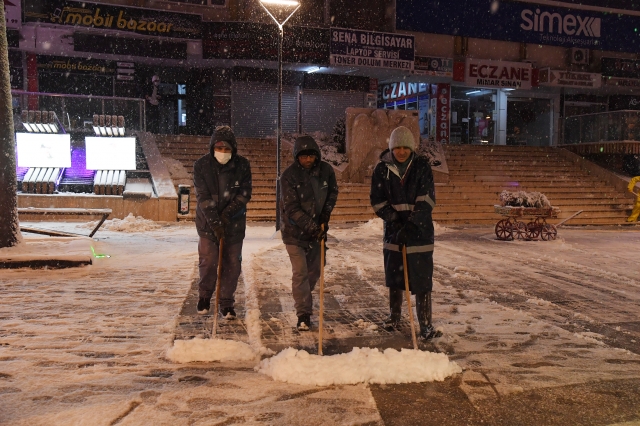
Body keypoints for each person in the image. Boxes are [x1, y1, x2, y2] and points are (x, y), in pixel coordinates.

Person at [369, 126, 439, 340]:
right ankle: (394, 315)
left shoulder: (421, 167)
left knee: (422, 279)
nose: (401, 152)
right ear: (391, 148)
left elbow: (426, 199)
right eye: (397, 147)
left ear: (411, 148)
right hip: (394, 232)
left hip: (419, 232)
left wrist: (411, 224)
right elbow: (378, 200)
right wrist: (395, 221)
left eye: (405, 147)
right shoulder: (382, 169)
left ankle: (426, 325)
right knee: (395, 275)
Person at [281, 135, 339, 331]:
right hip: (294, 233)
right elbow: (292, 208)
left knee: (315, 270)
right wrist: (311, 227)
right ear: (297, 156)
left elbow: (332, 193)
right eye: (303, 156)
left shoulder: (326, 171)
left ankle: (305, 295)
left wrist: (325, 215)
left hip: (318, 232)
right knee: (301, 273)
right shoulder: (289, 176)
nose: (307, 160)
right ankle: (303, 314)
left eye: (311, 156)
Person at [193, 126, 252, 318]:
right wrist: (215, 222)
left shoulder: (242, 165)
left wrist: (226, 216)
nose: (223, 152)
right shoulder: (201, 166)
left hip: (233, 224)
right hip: (207, 224)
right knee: (209, 261)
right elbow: (203, 197)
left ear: (233, 149)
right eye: (219, 148)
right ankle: (204, 297)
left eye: (227, 149)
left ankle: (227, 302)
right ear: (212, 147)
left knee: (232, 264)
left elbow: (244, 195)